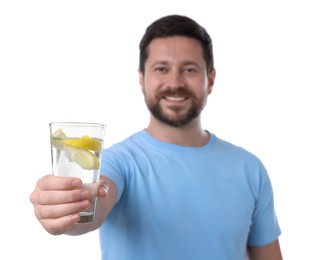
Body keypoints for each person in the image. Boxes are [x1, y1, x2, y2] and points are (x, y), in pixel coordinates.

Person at [30, 14, 282, 259]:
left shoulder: (250, 169)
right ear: (142, 79)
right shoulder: (119, 162)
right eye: (161, 69)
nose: (174, 82)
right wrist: (66, 212)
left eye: (190, 70)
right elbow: (97, 201)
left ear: (211, 79)